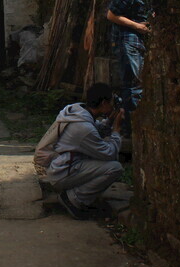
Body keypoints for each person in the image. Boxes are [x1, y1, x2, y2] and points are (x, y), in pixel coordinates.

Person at [40, 83, 124, 220]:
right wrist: (116, 131)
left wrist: (109, 121)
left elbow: (95, 130)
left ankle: (73, 193)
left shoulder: (77, 112)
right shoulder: (83, 127)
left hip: (60, 167)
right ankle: (73, 199)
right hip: (64, 173)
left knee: (105, 163)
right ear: (103, 103)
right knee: (115, 168)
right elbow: (110, 154)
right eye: (111, 102)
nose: (112, 105)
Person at [105, 0, 153, 136]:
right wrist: (137, 26)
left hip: (138, 39)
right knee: (132, 85)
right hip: (127, 39)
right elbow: (111, 15)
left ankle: (129, 126)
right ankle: (130, 130)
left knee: (135, 84)